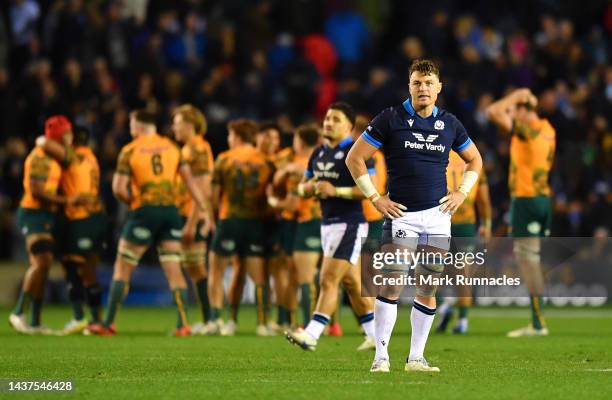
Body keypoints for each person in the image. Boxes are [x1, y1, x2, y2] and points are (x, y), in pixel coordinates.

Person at [346, 59, 482, 373]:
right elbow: (355, 158)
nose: (423, 88)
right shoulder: (390, 119)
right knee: (392, 285)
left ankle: (416, 358)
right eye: (417, 83)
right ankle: (381, 357)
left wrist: (462, 191)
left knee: (427, 288)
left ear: (439, 88)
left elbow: (475, 160)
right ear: (409, 86)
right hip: (402, 216)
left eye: (428, 83)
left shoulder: (450, 123)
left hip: (437, 217)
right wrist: (376, 197)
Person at [89, 109, 210, 336]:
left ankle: (108, 323)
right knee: (174, 269)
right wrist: (203, 209)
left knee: (123, 266)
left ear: (138, 125)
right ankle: (183, 324)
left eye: (131, 124)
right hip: (171, 213)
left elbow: (118, 188)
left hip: (144, 211)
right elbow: (191, 184)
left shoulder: (130, 150)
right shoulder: (173, 148)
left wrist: (132, 200)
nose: (130, 129)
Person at [284, 102, 376, 352]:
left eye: (335, 119)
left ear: (348, 126)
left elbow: (369, 191)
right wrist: (309, 188)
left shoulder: (358, 152)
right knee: (352, 284)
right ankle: (376, 335)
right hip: (327, 225)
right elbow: (302, 187)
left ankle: (312, 333)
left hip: (351, 224)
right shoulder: (318, 153)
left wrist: (336, 190)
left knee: (327, 279)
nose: (328, 123)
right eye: (326, 118)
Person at [486, 88, 555, 337]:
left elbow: (492, 111)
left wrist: (518, 95)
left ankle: (538, 323)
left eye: (515, 111)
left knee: (528, 261)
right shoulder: (548, 129)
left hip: (526, 199)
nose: (511, 114)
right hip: (542, 198)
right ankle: (538, 319)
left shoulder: (528, 130)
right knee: (531, 258)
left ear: (524, 111)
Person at [9, 115, 80, 334]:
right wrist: (66, 201)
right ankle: (19, 312)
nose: (71, 136)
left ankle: (36, 321)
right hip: (33, 214)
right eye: (67, 132)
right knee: (42, 261)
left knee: (45, 263)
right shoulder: (40, 157)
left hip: (46, 216)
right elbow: (38, 191)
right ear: (59, 135)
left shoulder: (53, 156)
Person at [207, 119, 275, 336]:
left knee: (217, 273)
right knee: (259, 277)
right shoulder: (266, 162)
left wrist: (213, 219)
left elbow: (214, 197)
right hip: (255, 222)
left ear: (235, 136)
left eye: (230, 135)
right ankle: (263, 323)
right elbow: (271, 195)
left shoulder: (224, 159)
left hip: (229, 221)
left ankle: (219, 320)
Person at [37, 125, 107, 335]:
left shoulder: (74, 156)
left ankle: (79, 317)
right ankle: (96, 320)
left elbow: (43, 143)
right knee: (89, 271)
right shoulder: (91, 156)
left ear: (72, 140)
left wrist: (42, 140)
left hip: (80, 218)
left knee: (72, 267)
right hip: (97, 217)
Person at [436, 150, 492, 334]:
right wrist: (486, 224)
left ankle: (443, 306)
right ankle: (462, 320)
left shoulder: (437, 154)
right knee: (463, 276)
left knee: (431, 271)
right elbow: (483, 200)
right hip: (466, 224)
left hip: (439, 221)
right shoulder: (474, 160)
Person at [272, 124, 322, 328]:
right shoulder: (323, 161)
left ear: (299, 141)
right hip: (327, 221)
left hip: (306, 222)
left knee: (302, 276)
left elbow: (292, 205)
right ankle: (327, 324)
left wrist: (273, 202)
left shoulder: (297, 167)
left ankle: (307, 325)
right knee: (328, 278)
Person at [172, 104, 215, 335]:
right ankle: (207, 319)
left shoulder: (197, 148)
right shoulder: (191, 148)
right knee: (193, 267)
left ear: (190, 125)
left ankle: (209, 319)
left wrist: (193, 221)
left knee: (196, 267)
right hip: (188, 212)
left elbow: (203, 187)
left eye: (177, 123)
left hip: (190, 214)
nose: (174, 128)